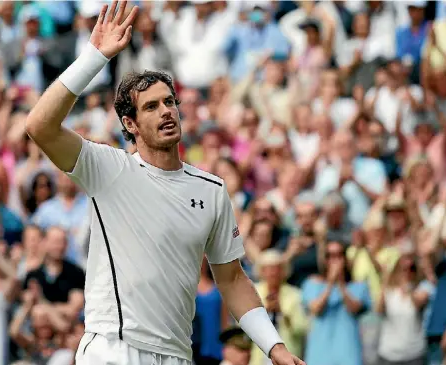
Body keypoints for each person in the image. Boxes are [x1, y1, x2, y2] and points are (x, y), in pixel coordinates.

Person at [25, 2, 303, 365]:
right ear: (130, 124)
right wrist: (94, 58)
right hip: (113, 349)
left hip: (176, 355)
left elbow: (233, 280)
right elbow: (39, 126)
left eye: (170, 102)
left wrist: (274, 347)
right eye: (152, 106)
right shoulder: (106, 167)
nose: (167, 111)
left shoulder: (211, 189)